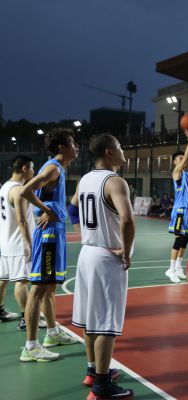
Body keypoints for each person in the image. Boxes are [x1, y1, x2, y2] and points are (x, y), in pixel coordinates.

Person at [70, 133, 134, 399]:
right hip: (106, 258)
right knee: (106, 322)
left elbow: (72, 209)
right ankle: (102, 387)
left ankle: (93, 371)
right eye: (119, 147)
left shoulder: (85, 179)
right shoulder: (115, 181)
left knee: (91, 319)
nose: (123, 151)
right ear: (109, 152)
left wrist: (84, 235)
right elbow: (127, 219)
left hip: (87, 254)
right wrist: (126, 251)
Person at [19, 128, 79, 362]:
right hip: (48, 236)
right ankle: (30, 346)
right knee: (38, 289)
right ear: (62, 148)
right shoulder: (52, 168)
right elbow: (26, 190)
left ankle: (52, 334)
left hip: (55, 234)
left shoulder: (58, 169)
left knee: (49, 288)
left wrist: (47, 208)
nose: (76, 147)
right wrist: (46, 210)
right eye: (72, 143)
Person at [0, 156, 37, 329]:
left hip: (6, 241)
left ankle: (0, 310)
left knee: (3, 278)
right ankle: (25, 318)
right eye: (32, 168)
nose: (33, 172)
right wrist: (28, 243)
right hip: (18, 242)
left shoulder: (4, 187)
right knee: (21, 281)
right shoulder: (18, 190)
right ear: (24, 168)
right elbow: (22, 220)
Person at [165, 129, 188, 283]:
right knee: (178, 240)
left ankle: (179, 267)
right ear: (175, 162)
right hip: (179, 210)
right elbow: (187, 158)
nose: (182, 160)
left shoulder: (187, 173)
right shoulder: (176, 172)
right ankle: (171, 269)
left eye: (182, 158)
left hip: (187, 211)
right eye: (179, 158)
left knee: (185, 240)